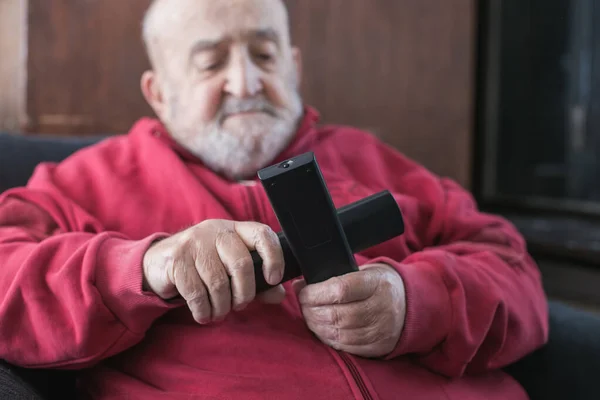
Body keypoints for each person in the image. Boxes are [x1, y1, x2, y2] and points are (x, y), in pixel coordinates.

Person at [0, 0, 548, 399]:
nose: (246, 82)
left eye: (265, 55)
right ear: (159, 92)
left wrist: (418, 303)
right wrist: (149, 264)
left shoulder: (375, 160)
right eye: (212, 63)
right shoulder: (86, 180)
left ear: (295, 66)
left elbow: (513, 270)